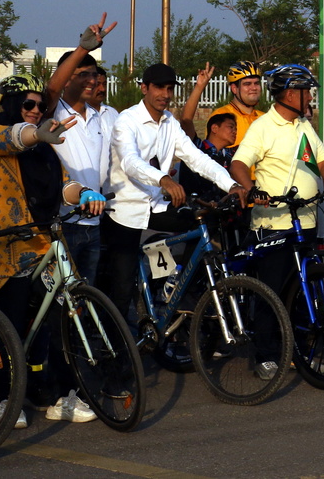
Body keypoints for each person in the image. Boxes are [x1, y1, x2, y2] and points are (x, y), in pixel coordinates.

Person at [0, 72, 104, 426]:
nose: (34, 110)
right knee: (7, 325)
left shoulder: (45, 149)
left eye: (40, 105)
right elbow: (15, 136)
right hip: (5, 247)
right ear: (12, 105)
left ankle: (62, 396)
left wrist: (85, 193)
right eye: (27, 104)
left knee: (64, 316)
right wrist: (37, 133)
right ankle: (4, 399)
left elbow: (64, 187)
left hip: (43, 242)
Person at [98, 62, 247, 323]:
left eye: (169, 89)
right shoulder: (126, 121)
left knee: (204, 222)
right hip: (123, 212)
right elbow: (130, 163)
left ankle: (176, 287)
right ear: (144, 88)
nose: (165, 94)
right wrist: (164, 179)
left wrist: (232, 185)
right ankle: (117, 357)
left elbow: (197, 159)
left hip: (155, 207)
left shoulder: (170, 123)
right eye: (158, 87)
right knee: (121, 291)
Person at [230, 64, 324, 378]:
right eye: (307, 92)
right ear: (291, 93)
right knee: (271, 294)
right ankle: (266, 355)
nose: (310, 99)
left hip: (305, 222)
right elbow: (239, 164)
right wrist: (251, 190)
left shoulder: (303, 125)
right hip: (272, 225)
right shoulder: (264, 126)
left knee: (303, 292)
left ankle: (301, 350)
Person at [51, 50, 109, 285]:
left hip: (94, 223)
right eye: (82, 74)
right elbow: (53, 88)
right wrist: (83, 49)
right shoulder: (54, 111)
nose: (91, 81)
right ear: (66, 77)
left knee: (86, 298)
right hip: (65, 224)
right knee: (61, 301)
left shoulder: (99, 117)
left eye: (94, 75)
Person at [178, 63, 240, 201]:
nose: (235, 131)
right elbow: (186, 120)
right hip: (194, 212)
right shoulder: (196, 147)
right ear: (214, 128)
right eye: (231, 127)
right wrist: (199, 86)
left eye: (236, 128)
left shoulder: (231, 155)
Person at [211, 60, 266, 147]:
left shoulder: (265, 118)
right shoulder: (221, 116)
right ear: (234, 88)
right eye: (247, 84)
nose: (253, 88)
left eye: (256, 83)